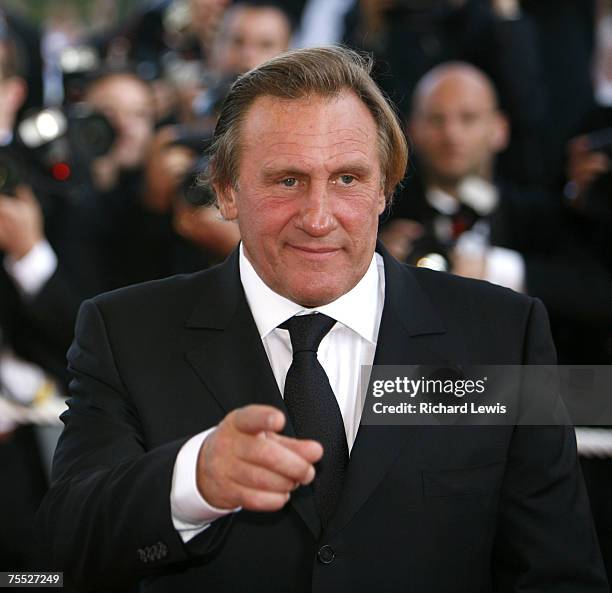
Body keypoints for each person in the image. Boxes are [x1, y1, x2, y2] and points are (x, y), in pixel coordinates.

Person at [37, 46, 608, 592]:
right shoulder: (126, 332)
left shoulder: (500, 333)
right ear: (226, 190)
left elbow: (556, 571)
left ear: (386, 188)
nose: (317, 218)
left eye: (347, 180)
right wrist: (193, 482)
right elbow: (66, 552)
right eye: (288, 181)